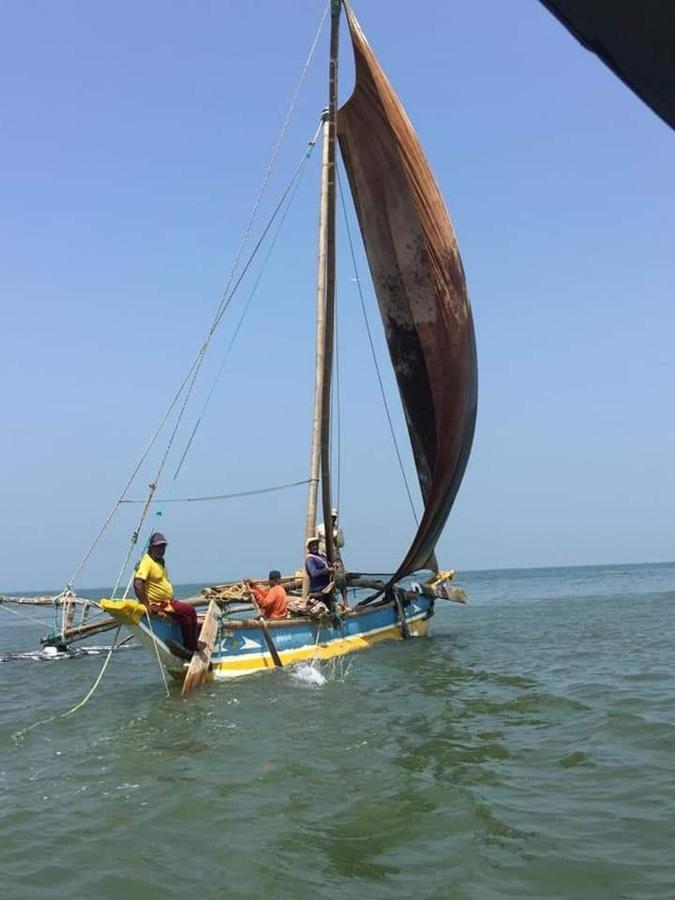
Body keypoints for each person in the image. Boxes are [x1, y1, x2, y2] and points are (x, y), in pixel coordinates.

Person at [133, 532, 202, 658]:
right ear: (151, 547)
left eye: (163, 547)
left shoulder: (160, 562)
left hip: (167, 601)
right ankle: (192, 647)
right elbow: (138, 584)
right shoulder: (147, 562)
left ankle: (187, 646)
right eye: (158, 547)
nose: (161, 550)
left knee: (185, 619)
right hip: (160, 603)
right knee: (191, 610)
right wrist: (147, 605)